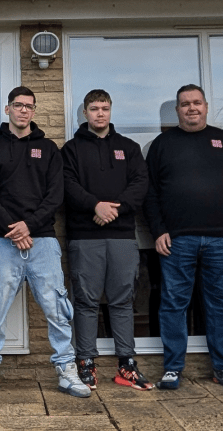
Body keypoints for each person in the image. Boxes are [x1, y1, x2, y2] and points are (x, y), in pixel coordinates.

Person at [0, 86, 90, 399]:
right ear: (7, 109)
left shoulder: (48, 149)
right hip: (2, 242)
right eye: (18, 105)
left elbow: (55, 195)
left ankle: (67, 371)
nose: (24, 110)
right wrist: (15, 228)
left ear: (34, 111)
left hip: (42, 242)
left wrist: (29, 226)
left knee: (57, 309)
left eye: (29, 106)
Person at [144, 84, 223, 390]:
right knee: (173, 305)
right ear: (177, 110)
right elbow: (149, 193)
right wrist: (158, 230)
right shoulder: (162, 144)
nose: (191, 108)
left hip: (222, 241)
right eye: (185, 104)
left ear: (206, 106)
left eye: (196, 103)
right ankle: (172, 368)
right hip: (177, 241)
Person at [61, 89, 153, 391]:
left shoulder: (128, 148)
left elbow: (140, 183)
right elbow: (68, 185)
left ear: (111, 111)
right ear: (84, 112)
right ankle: (86, 363)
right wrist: (95, 206)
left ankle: (126, 364)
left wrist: (114, 210)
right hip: (85, 237)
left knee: (122, 301)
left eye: (104, 108)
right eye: (94, 108)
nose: (99, 113)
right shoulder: (71, 150)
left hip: (122, 236)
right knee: (86, 301)